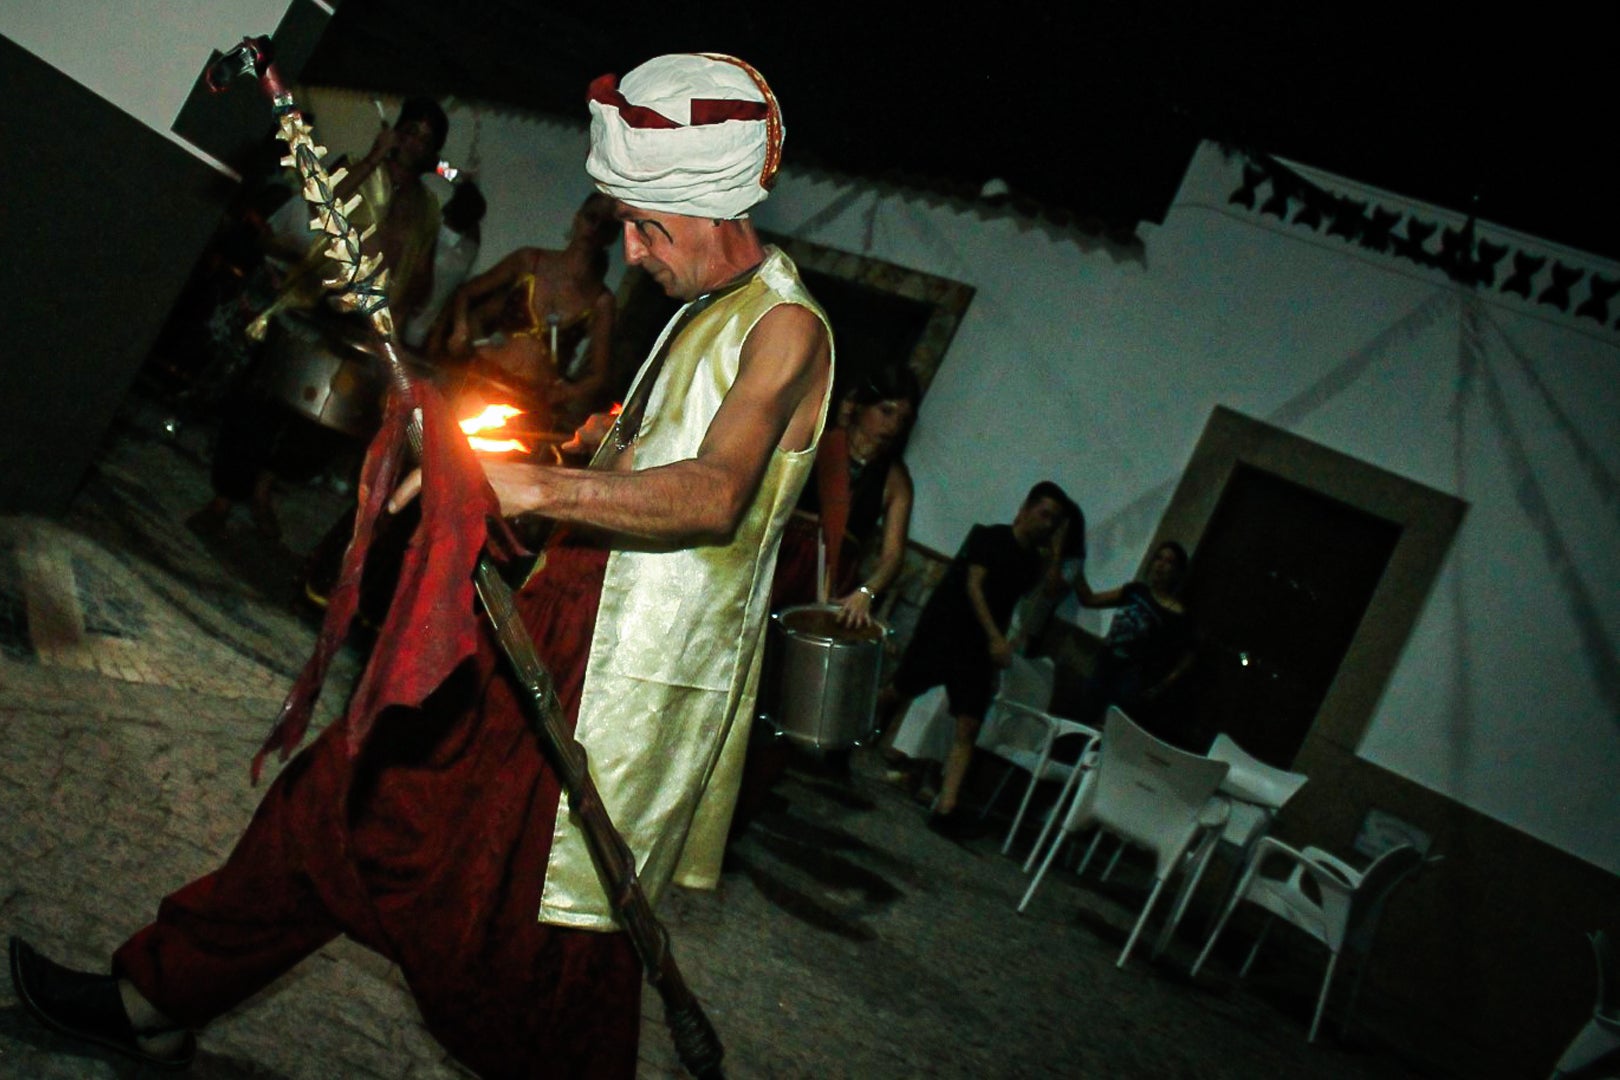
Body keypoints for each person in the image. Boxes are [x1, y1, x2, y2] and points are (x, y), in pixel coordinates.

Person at [10, 53, 831, 1079]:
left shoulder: (786, 325)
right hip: (551, 635)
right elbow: (642, 467)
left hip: (614, 698)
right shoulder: (702, 308)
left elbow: (714, 494)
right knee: (347, 790)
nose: (629, 248)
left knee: (539, 944)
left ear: (712, 205)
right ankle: (157, 998)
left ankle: (159, 1000)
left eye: (647, 225)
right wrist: (567, 461)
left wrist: (527, 488)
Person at [186, 97, 450, 540]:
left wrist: (398, 331)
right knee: (263, 401)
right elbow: (318, 213)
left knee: (329, 421)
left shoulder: (427, 209)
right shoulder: (356, 166)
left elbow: (418, 275)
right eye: (410, 130)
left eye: (425, 138)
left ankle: (266, 488)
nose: (414, 142)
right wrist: (371, 159)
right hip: (312, 303)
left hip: (363, 325)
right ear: (396, 131)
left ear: (432, 152)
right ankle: (224, 498)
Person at [877, 482, 1073, 836]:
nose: (1047, 524)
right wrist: (995, 637)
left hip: (979, 649)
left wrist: (1057, 551)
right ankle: (851, 733)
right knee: (900, 689)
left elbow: (1044, 591)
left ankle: (947, 806)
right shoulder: (990, 538)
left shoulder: (1032, 562)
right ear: (1026, 508)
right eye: (1044, 514)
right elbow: (974, 586)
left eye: (1054, 520)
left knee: (968, 723)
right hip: (948, 629)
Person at [436, 192, 620, 438]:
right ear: (577, 218)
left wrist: (566, 393)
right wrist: (462, 331)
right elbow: (467, 292)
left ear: (612, 236)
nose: (594, 229)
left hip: (532, 399)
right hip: (485, 377)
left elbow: (599, 374)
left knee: (491, 467)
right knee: (450, 446)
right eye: (591, 218)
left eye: (606, 225)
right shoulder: (530, 260)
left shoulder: (601, 300)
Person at [773, 365, 920, 625]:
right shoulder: (818, 444)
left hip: (830, 581)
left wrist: (866, 592)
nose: (893, 425)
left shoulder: (896, 481)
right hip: (779, 559)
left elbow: (893, 555)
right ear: (860, 405)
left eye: (903, 419)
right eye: (886, 411)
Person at [1073, 539, 1198, 743]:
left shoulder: (1177, 615)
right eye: (1158, 558)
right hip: (1105, 663)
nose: (1161, 565)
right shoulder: (1135, 591)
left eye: (1169, 562)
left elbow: (1189, 654)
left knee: (1104, 732)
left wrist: (1162, 684)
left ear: (1177, 571)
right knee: (1084, 718)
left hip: (1131, 677)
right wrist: (1075, 568)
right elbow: (1090, 600)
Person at [404, 180, 488, 352]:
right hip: (420, 336)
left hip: (396, 321)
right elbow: (474, 233)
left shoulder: (428, 238)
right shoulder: (466, 254)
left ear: (449, 206)